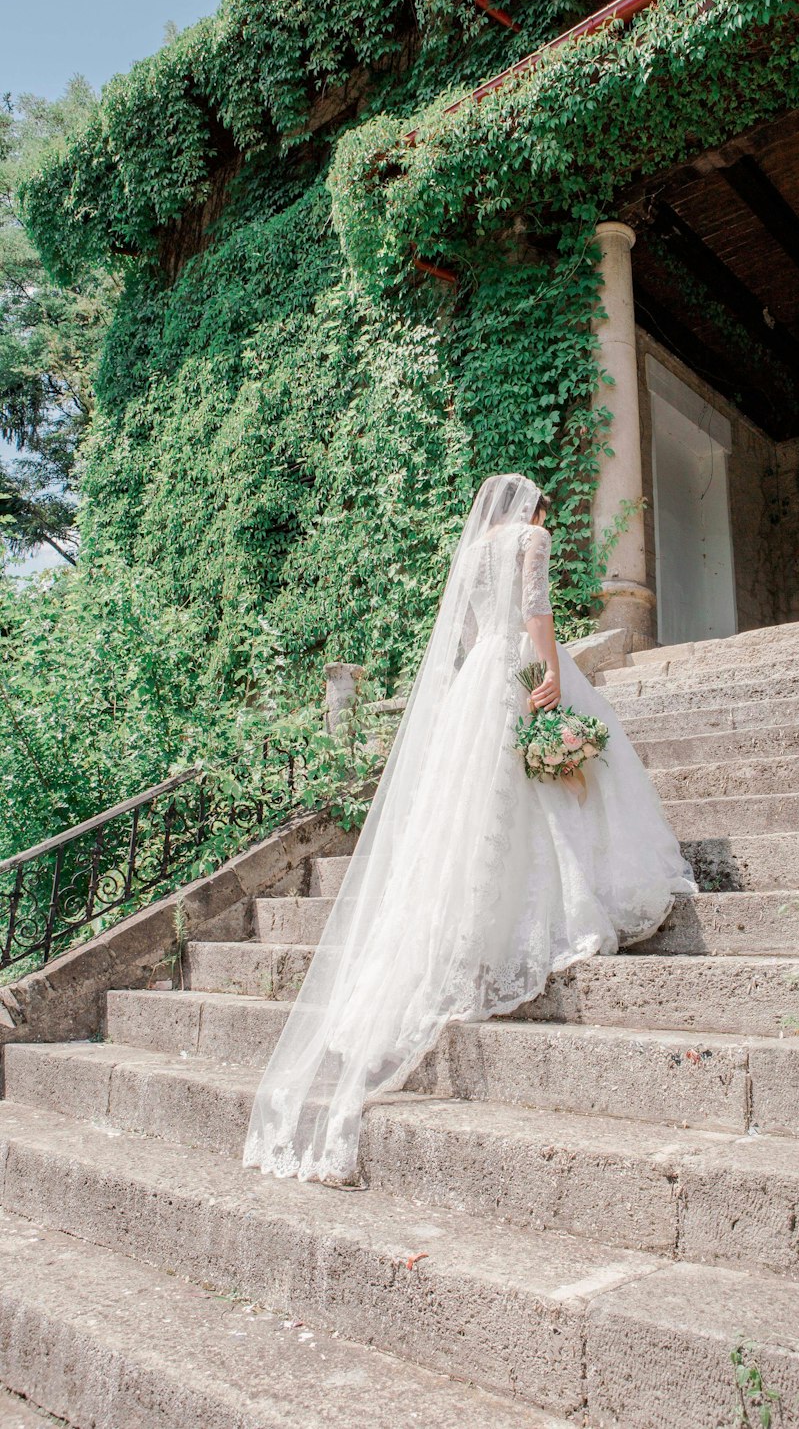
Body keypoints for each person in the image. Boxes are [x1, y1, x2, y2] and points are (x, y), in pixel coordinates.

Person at [244, 472, 697, 1184]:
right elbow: (537, 611)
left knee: (469, 807)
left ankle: (465, 934)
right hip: (519, 665)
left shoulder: (470, 552)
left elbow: (463, 633)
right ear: (536, 506)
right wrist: (548, 677)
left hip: (478, 675)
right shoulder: (532, 536)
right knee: (546, 780)